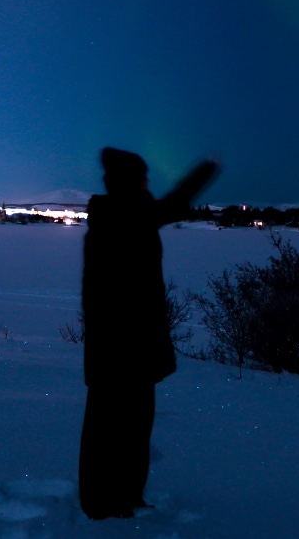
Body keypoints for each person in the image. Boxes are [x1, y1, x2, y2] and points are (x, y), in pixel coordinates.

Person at [77, 147, 220, 520]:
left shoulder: (116, 217)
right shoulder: (126, 217)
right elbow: (173, 204)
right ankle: (109, 504)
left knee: (119, 428)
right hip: (125, 348)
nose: (146, 185)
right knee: (120, 430)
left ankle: (115, 499)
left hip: (122, 346)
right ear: (129, 183)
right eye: (142, 179)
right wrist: (205, 170)